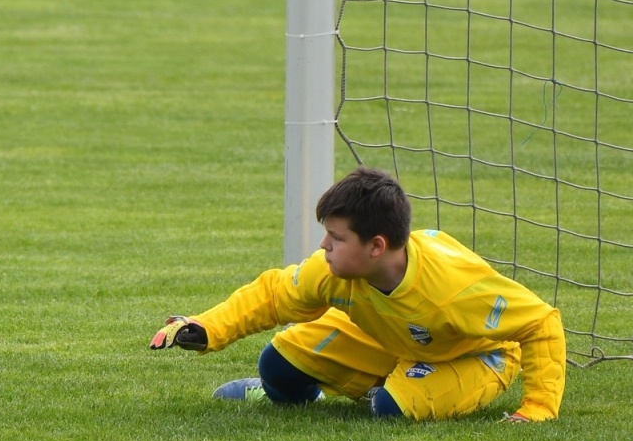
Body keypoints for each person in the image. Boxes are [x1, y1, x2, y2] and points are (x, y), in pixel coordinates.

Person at [149, 167, 565, 422]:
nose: (324, 246)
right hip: (391, 337)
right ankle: (344, 387)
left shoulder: (454, 288)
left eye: (335, 237)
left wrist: (538, 409)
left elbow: (540, 321)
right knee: (277, 365)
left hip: (474, 353)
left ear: (377, 246)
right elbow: (274, 296)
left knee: (390, 410)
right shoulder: (332, 268)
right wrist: (206, 327)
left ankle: (387, 391)